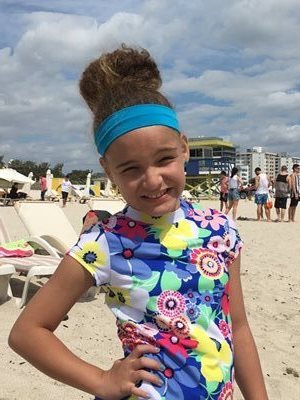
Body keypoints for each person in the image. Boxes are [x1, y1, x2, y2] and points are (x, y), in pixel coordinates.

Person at [9, 45, 268, 400]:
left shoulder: (220, 230)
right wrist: (101, 379)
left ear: (184, 148)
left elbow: (237, 327)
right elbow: (27, 332)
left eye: (164, 159)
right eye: (130, 169)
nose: (152, 180)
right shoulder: (103, 243)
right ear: (108, 170)